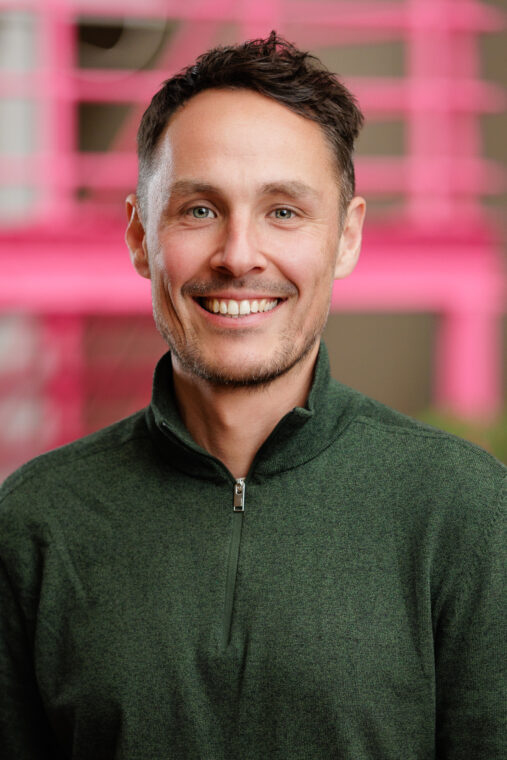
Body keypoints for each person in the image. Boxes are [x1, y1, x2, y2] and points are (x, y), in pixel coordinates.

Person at [0, 31, 505, 760]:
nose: (239, 255)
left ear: (346, 238)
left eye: (284, 212)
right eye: (199, 210)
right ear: (140, 236)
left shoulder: (467, 514)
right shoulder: (35, 523)